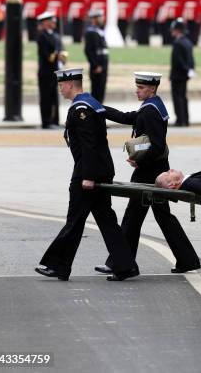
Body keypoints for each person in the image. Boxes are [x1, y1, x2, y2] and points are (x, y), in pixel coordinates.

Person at [94, 71, 201, 275]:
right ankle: (186, 260)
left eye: (141, 88)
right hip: (154, 170)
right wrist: (100, 108)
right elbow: (127, 117)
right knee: (158, 217)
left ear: (152, 89)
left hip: (151, 173)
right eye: (137, 87)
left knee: (133, 217)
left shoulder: (151, 111)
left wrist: (138, 159)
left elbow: (158, 146)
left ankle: (122, 263)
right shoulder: (152, 106)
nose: (137, 90)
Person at [35, 68, 138, 282]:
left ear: (71, 84)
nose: (60, 89)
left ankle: (58, 265)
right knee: (106, 219)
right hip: (99, 169)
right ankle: (125, 265)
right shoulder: (90, 102)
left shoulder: (81, 108)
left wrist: (88, 176)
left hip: (88, 172)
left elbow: (89, 145)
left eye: (62, 85)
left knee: (75, 220)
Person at [37, 11, 66, 129]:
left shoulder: (55, 35)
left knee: (54, 97)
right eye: (51, 21)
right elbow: (45, 54)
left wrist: (63, 57)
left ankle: (55, 120)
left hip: (55, 70)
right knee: (46, 97)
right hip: (46, 71)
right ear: (45, 23)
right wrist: (55, 56)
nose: (54, 23)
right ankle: (46, 121)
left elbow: (61, 49)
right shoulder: (42, 36)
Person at [169, 18, 195, 126]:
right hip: (185, 74)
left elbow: (177, 60)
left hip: (178, 75)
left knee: (177, 98)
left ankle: (180, 119)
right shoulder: (188, 42)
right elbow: (191, 59)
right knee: (183, 97)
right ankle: (186, 119)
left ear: (177, 30)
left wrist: (183, 69)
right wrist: (190, 70)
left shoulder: (177, 43)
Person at [84, 9, 109, 103]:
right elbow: (88, 51)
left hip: (103, 65)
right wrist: (95, 65)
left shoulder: (99, 31)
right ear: (94, 19)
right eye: (100, 17)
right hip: (97, 67)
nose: (102, 19)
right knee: (96, 94)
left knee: (101, 93)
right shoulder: (91, 32)